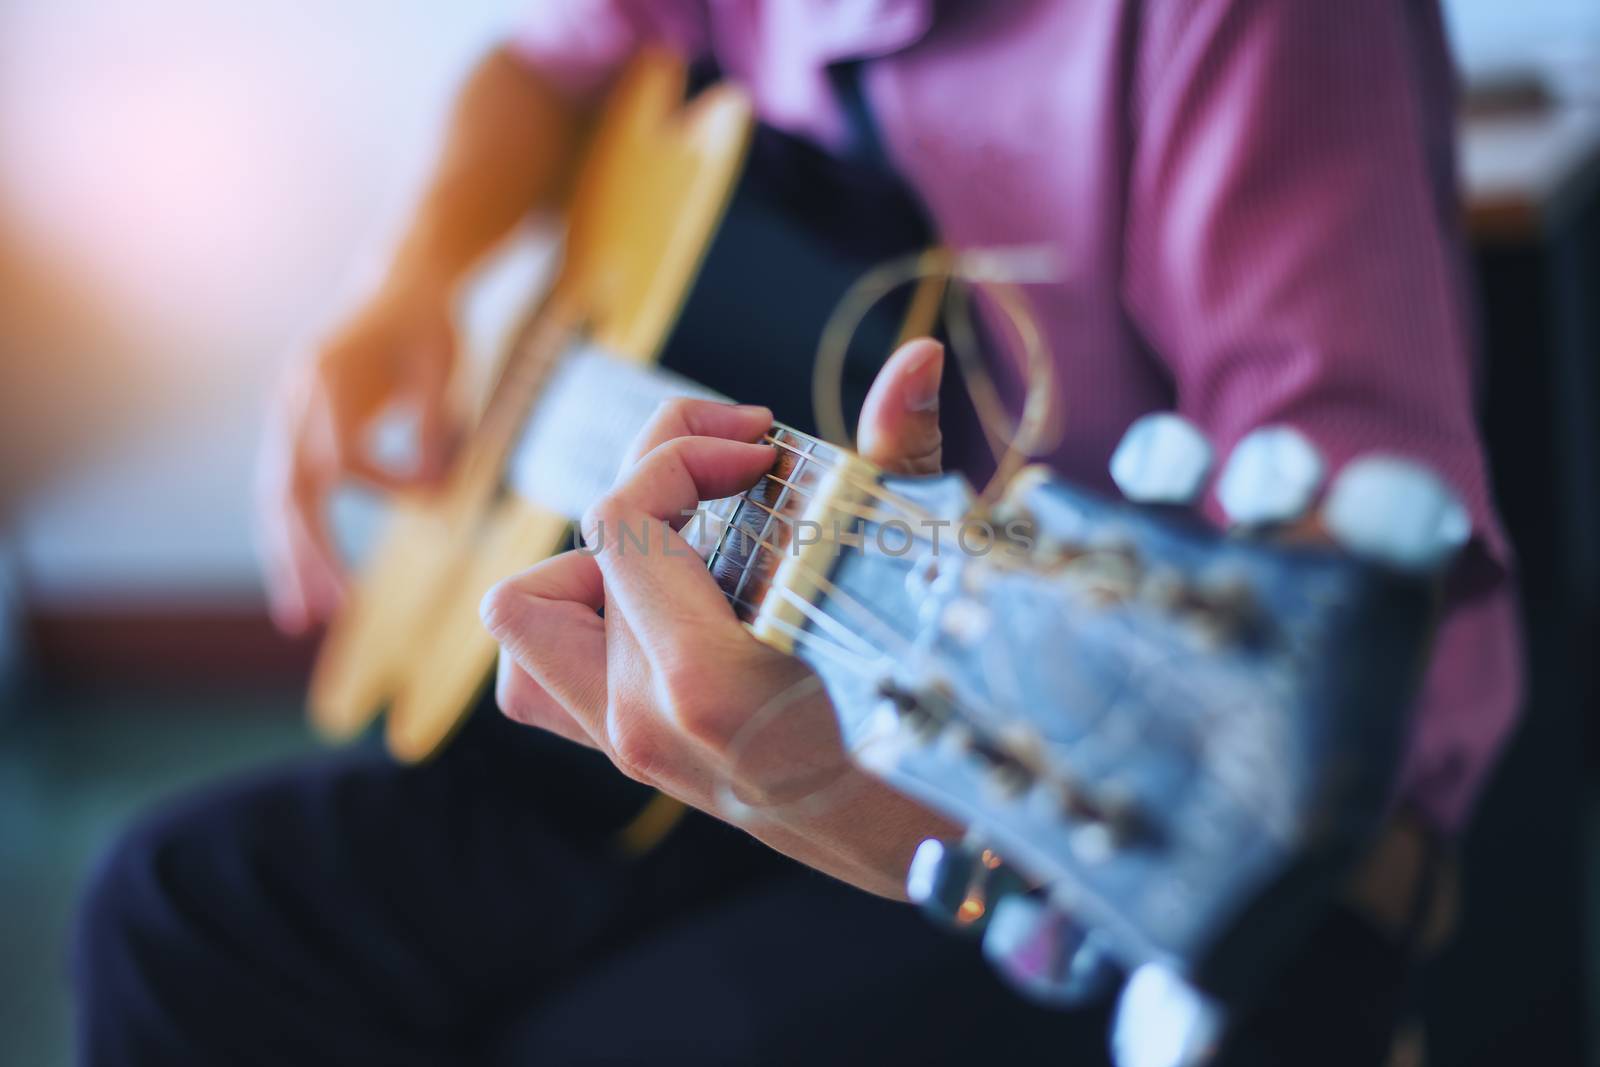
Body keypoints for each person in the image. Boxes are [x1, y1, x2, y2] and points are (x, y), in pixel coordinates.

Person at [75, 2, 1521, 1064]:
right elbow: (546, 68)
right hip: (759, 679)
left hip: (1119, 796)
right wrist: (412, 276)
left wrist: (858, 803)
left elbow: (1352, 589)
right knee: (176, 908)